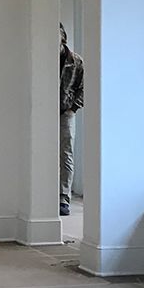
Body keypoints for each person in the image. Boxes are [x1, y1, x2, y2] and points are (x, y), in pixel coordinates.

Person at [59, 23, 83, 217]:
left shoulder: (75, 61)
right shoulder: (43, 59)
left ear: (63, 36)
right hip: (44, 112)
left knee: (66, 154)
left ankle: (63, 197)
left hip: (66, 113)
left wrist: (73, 108)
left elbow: (84, 87)